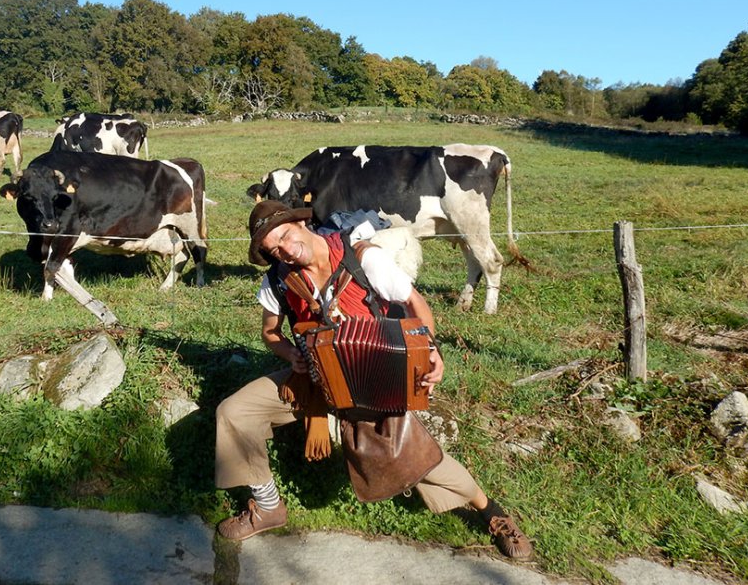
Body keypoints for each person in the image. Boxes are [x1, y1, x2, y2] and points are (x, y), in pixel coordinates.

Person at [214, 200, 533, 559]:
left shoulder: (361, 258)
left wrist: (430, 348)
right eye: (274, 249)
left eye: (285, 236)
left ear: (301, 223)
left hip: (372, 382)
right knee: (235, 412)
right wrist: (292, 355)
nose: (285, 250)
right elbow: (270, 333)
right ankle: (269, 507)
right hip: (312, 382)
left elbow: (414, 303)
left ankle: (490, 510)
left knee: (420, 461)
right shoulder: (277, 280)